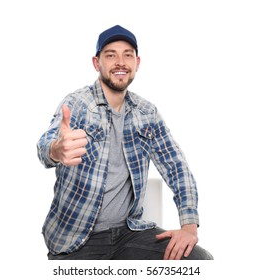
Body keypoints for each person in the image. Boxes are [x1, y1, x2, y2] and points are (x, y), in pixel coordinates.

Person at [37, 25, 213, 260]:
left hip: (129, 235)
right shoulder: (78, 103)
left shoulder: (146, 113)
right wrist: (57, 150)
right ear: (96, 62)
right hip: (76, 240)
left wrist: (189, 226)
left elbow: (176, 167)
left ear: (137, 63)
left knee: (199, 261)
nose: (120, 62)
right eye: (111, 55)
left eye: (127, 55)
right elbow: (46, 145)